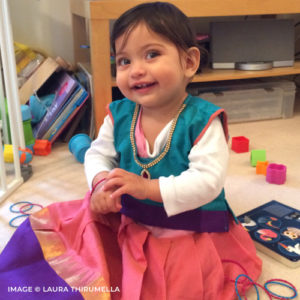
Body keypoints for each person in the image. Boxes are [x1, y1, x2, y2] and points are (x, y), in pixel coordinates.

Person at [84, 2, 262, 299]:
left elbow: (207, 182)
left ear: (189, 62)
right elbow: (97, 154)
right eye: (124, 61)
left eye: (152, 54)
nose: (136, 70)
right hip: (131, 217)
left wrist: (147, 187)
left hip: (188, 227)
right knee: (88, 252)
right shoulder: (118, 115)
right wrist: (101, 183)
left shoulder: (203, 121)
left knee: (176, 284)